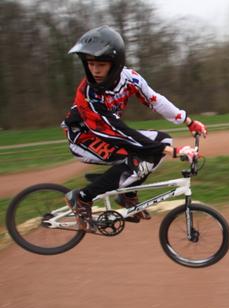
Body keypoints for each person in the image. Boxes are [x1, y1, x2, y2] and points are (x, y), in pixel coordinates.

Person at [62, 25, 207, 232]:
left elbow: (156, 100)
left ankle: (127, 193)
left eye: (101, 64)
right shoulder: (87, 95)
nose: (95, 70)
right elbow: (120, 134)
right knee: (139, 158)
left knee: (163, 139)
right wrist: (174, 153)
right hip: (84, 138)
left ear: (116, 64)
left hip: (112, 133)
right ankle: (82, 198)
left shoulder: (130, 79)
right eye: (91, 64)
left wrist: (188, 121)